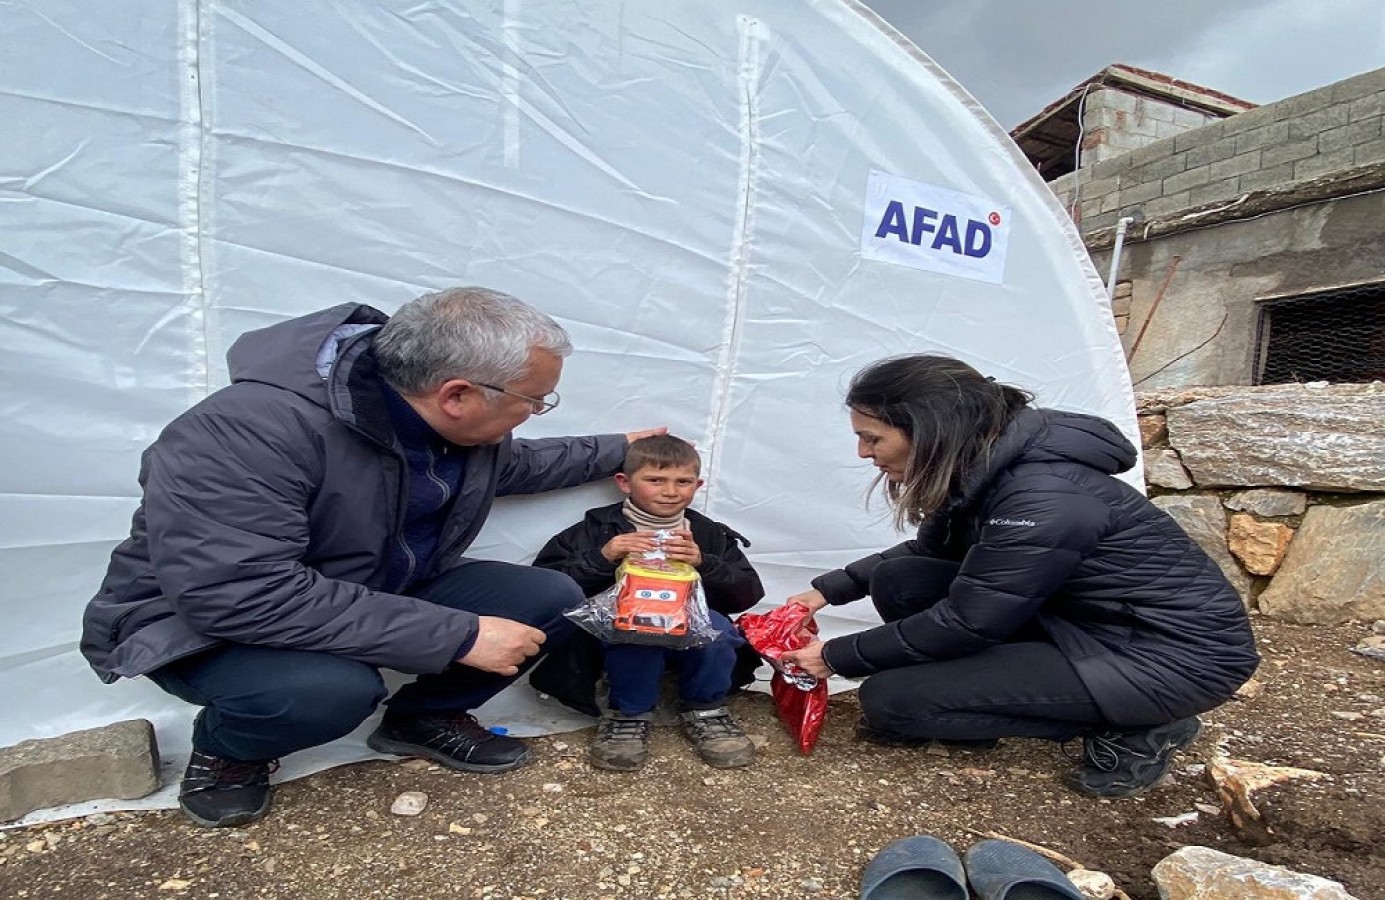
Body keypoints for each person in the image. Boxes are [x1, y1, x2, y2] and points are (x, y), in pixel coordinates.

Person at [80, 286, 664, 828]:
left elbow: (521, 465)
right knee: (329, 690)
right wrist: (458, 636)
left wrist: (624, 449)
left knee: (549, 596)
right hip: (205, 626)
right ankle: (229, 750)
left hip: (361, 587)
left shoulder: (447, 428)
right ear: (457, 394)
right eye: (534, 401)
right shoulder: (243, 433)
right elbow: (239, 592)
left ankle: (422, 720)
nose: (537, 412)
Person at [779, 354, 1259, 798]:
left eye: (873, 438)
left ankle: (1143, 728)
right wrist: (822, 593)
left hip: (1171, 657)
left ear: (929, 429)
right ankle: (986, 702)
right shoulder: (983, 469)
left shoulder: (1043, 496)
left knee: (893, 702)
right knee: (901, 579)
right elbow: (929, 553)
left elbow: (967, 622)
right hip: (1086, 625)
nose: (864, 453)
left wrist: (837, 656)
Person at [528, 435, 763, 770]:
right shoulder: (598, 529)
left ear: (697, 485)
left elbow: (748, 594)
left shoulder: (707, 533)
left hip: (690, 623)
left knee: (718, 632)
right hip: (618, 628)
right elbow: (546, 585)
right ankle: (628, 713)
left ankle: (706, 708)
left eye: (683, 482)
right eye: (655, 480)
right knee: (635, 630)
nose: (670, 491)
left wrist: (705, 562)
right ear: (624, 482)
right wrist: (603, 556)